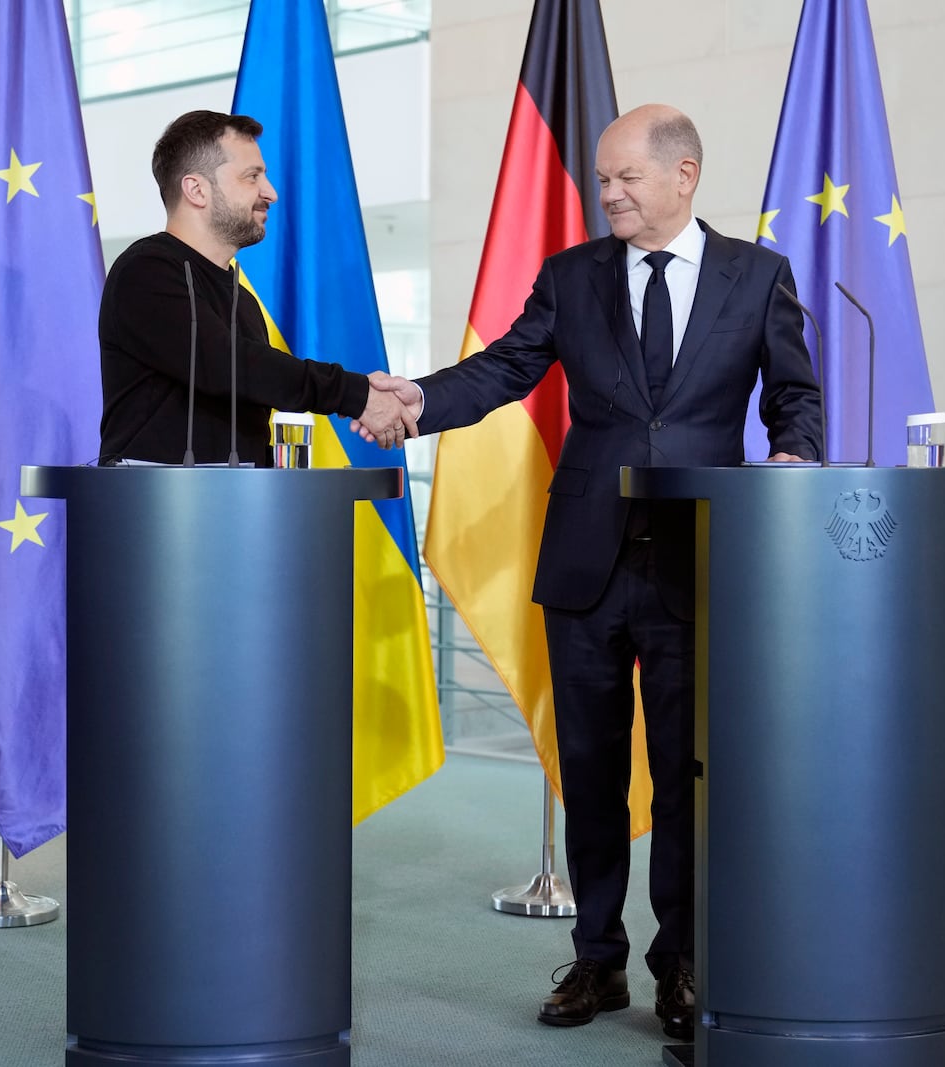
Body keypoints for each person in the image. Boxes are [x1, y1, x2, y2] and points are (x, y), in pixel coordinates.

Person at [363, 104, 823, 1041]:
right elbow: (506, 367)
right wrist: (420, 399)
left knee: (688, 775)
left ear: (685, 174)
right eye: (602, 179)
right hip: (587, 560)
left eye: (626, 178)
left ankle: (683, 965)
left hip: (702, 555)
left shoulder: (757, 275)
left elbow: (795, 393)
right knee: (591, 769)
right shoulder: (572, 276)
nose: (607, 193)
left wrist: (795, 457)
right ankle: (598, 959)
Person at [99, 110, 414, 465]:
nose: (271, 193)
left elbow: (247, 408)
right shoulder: (145, 270)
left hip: (241, 511)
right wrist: (354, 395)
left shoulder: (242, 301)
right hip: (151, 512)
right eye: (253, 177)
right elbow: (225, 366)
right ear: (196, 189)